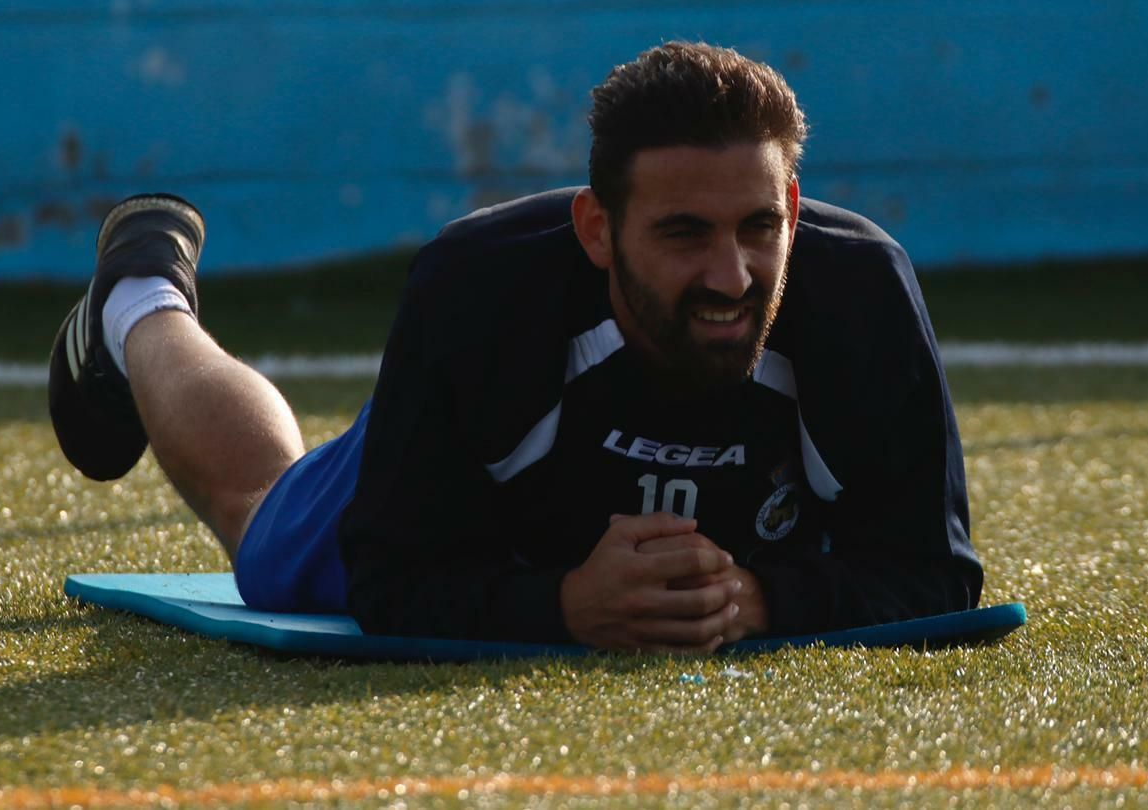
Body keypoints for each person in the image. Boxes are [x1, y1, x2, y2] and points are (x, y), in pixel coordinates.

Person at [49, 41, 982, 653]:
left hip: (733, 553)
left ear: (791, 212)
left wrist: (760, 600)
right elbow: (394, 576)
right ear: (596, 230)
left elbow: (936, 571)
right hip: (489, 517)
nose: (731, 277)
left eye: (756, 229)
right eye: (684, 233)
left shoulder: (864, 292)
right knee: (261, 525)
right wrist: (564, 607)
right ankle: (138, 298)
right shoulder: (479, 293)